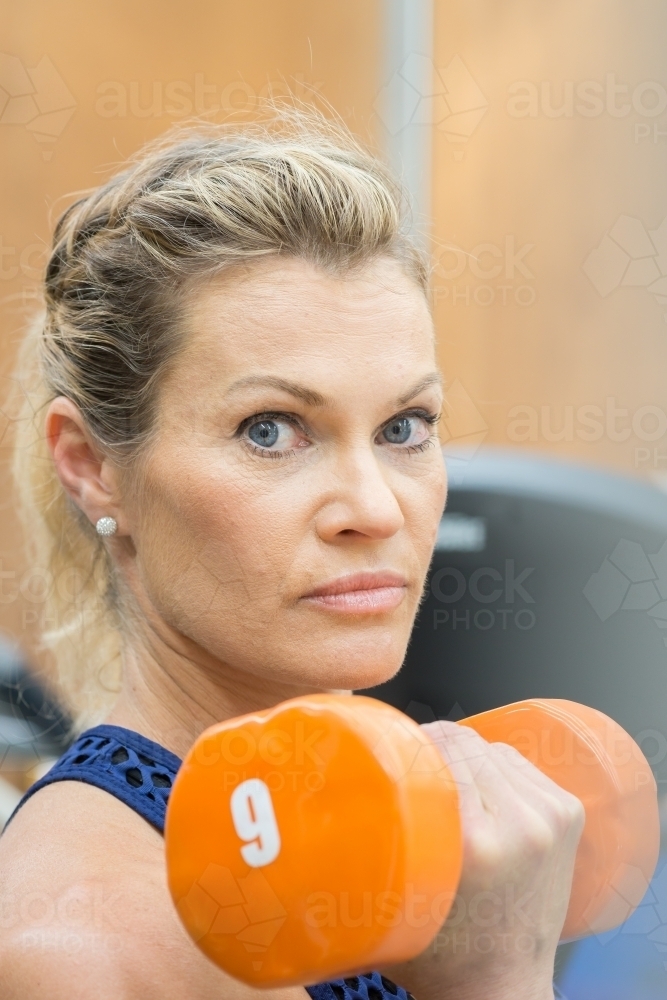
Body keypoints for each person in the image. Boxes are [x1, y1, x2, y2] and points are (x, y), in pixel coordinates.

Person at [0, 109, 583, 1000]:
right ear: (91, 466)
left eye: (404, 427)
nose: (374, 507)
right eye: (270, 430)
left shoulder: (381, 847)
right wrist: (495, 981)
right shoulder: (79, 951)